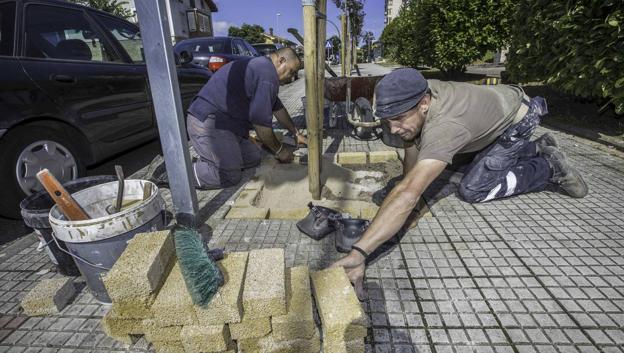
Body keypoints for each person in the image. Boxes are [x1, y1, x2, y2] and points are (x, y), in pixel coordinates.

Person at [332, 68, 588, 298]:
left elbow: (409, 192)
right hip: (494, 108)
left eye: (399, 119)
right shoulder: (416, 93)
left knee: (474, 188)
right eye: (388, 121)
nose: (394, 128)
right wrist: (409, 186)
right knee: (444, 162)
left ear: (423, 103)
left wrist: (359, 253)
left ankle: (548, 166)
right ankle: (532, 148)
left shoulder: (446, 127)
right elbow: (411, 158)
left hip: (519, 117)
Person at [186, 47, 306, 189]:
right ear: (281, 61)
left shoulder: (264, 68)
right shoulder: (267, 76)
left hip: (229, 125)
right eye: (291, 71)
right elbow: (261, 126)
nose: (291, 77)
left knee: (254, 157)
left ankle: (216, 158)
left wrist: (296, 133)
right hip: (209, 121)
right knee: (229, 176)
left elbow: (278, 108)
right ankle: (179, 173)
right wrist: (280, 151)